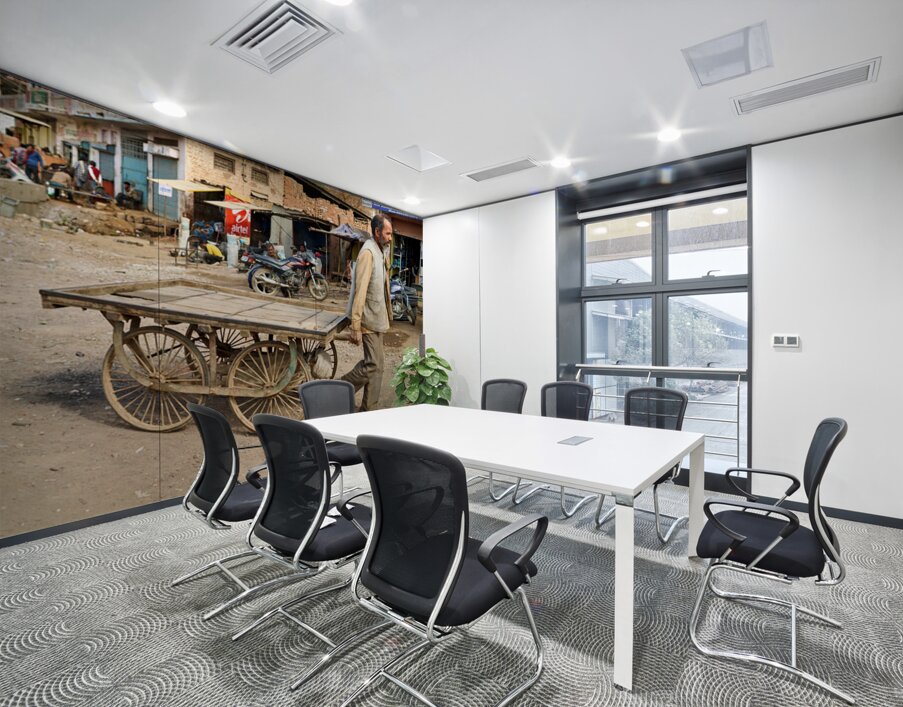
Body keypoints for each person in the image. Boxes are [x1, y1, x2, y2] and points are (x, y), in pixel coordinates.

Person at [341, 213, 393, 411]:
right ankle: (339, 389)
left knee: (378, 367)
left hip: (378, 317)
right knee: (372, 365)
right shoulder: (368, 253)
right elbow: (360, 291)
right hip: (368, 319)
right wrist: (356, 326)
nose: (390, 238)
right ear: (377, 232)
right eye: (387, 234)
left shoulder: (381, 250)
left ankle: (369, 410)